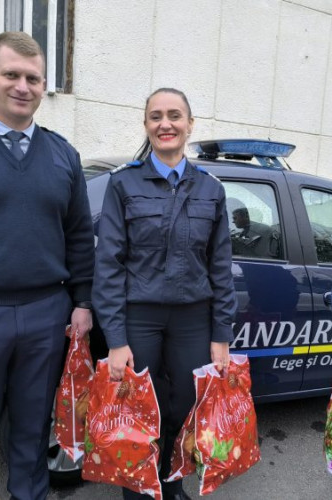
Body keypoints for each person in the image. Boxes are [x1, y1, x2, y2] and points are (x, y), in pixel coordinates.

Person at [0, 32, 94, 499]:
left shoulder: (62, 155)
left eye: (33, 78)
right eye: (12, 74)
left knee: (32, 433)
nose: (23, 86)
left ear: (43, 84)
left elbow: (77, 236)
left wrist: (83, 302)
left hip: (44, 315)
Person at [92, 88, 237, 500]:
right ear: (146, 125)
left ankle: (169, 480)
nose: (165, 123)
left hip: (193, 318)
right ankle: (138, 488)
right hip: (140, 316)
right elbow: (109, 266)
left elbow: (220, 266)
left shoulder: (211, 189)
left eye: (175, 115)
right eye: (156, 116)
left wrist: (221, 333)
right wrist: (116, 340)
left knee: (182, 406)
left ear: (190, 124)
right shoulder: (124, 183)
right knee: (138, 407)